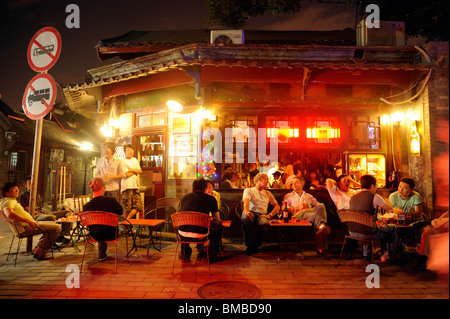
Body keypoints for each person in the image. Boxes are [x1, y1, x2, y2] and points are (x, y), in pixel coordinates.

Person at [0, 181, 61, 260]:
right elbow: (9, 214)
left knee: (51, 223)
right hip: (26, 228)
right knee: (56, 228)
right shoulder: (8, 201)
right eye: (14, 189)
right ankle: (41, 251)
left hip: (28, 225)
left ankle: (38, 249)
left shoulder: (7, 201)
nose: (17, 191)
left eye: (17, 189)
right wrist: (28, 221)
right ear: (6, 191)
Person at [349, 174, 398, 262]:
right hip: (367, 233)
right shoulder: (374, 196)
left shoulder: (352, 198)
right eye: (376, 186)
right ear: (372, 186)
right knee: (392, 228)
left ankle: (366, 255)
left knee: (368, 226)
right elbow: (389, 209)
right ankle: (388, 255)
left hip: (352, 232)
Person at [283, 176, 331, 258]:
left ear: (302, 184)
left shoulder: (308, 195)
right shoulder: (288, 196)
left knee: (321, 206)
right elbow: (284, 208)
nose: (293, 184)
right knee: (319, 219)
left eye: (296, 182)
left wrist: (309, 207)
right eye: (292, 183)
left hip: (310, 213)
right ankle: (322, 249)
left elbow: (318, 206)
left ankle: (321, 226)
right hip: (299, 215)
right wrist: (298, 208)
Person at [179, 178, 221, 262]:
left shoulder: (184, 198)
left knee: (184, 225)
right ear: (205, 188)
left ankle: (185, 253)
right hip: (202, 233)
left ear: (193, 187)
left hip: (183, 233)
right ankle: (211, 254)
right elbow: (217, 220)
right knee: (217, 227)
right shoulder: (211, 199)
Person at [82, 178, 123, 262]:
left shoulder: (86, 207)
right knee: (104, 227)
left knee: (99, 228)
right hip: (111, 234)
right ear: (102, 188)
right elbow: (120, 212)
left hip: (94, 235)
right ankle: (102, 255)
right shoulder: (111, 201)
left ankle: (102, 255)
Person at [241, 173, 280, 255]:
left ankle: (256, 245)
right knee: (246, 219)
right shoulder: (248, 190)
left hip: (262, 214)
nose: (268, 181)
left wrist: (270, 215)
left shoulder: (268, 193)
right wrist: (247, 211)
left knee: (263, 223)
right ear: (259, 180)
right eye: (266, 179)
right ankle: (249, 245)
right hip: (250, 212)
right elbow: (246, 201)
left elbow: (277, 206)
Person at [121, 144, 143, 219]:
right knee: (127, 208)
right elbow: (126, 174)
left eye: (132, 150)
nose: (131, 152)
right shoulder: (122, 161)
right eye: (128, 150)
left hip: (135, 186)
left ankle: (126, 222)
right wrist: (135, 171)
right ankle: (126, 226)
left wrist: (132, 170)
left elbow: (140, 171)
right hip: (127, 186)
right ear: (124, 152)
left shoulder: (135, 160)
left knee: (139, 206)